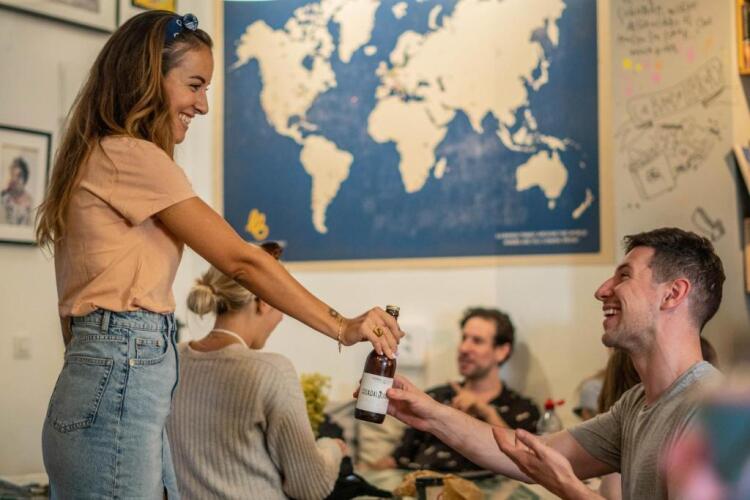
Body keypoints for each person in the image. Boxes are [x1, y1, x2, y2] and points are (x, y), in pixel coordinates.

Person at [36, 11, 403, 499]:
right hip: (120, 372)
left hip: (102, 371)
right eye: (194, 85)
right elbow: (242, 261)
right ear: (148, 78)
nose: (203, 105)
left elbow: (75, 324)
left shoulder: (99, 155)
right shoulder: (131, 155)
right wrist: (343, 326)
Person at [382, 228, 724, 499]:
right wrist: (430, 413)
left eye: (624, 276)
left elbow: (553, 472)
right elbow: (526, 453)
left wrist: (570, 489)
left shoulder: (714, 411)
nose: (602, 290)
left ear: (673, 294)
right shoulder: (634, 405)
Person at [167, 242, 346, 499]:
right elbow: (310, 487)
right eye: (283, 303)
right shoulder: (271, 371)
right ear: (263, 301)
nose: (283, 316)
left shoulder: (170, 360)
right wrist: (332, 448)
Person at [383, 307, 539, 471]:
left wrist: (487, 413)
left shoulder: (522, 410)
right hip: (418, 482)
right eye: (464, 338)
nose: (463, 348)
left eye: (477, 341)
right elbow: (396, 460)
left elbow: (526, 465)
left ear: (501, 351)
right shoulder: (434, 398)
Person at [1, 156, 33, 225]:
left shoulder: (31, 201)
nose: (15, 179)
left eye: (19, 176)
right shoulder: (3, 198)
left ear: (25, 178)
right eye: (13, 175)